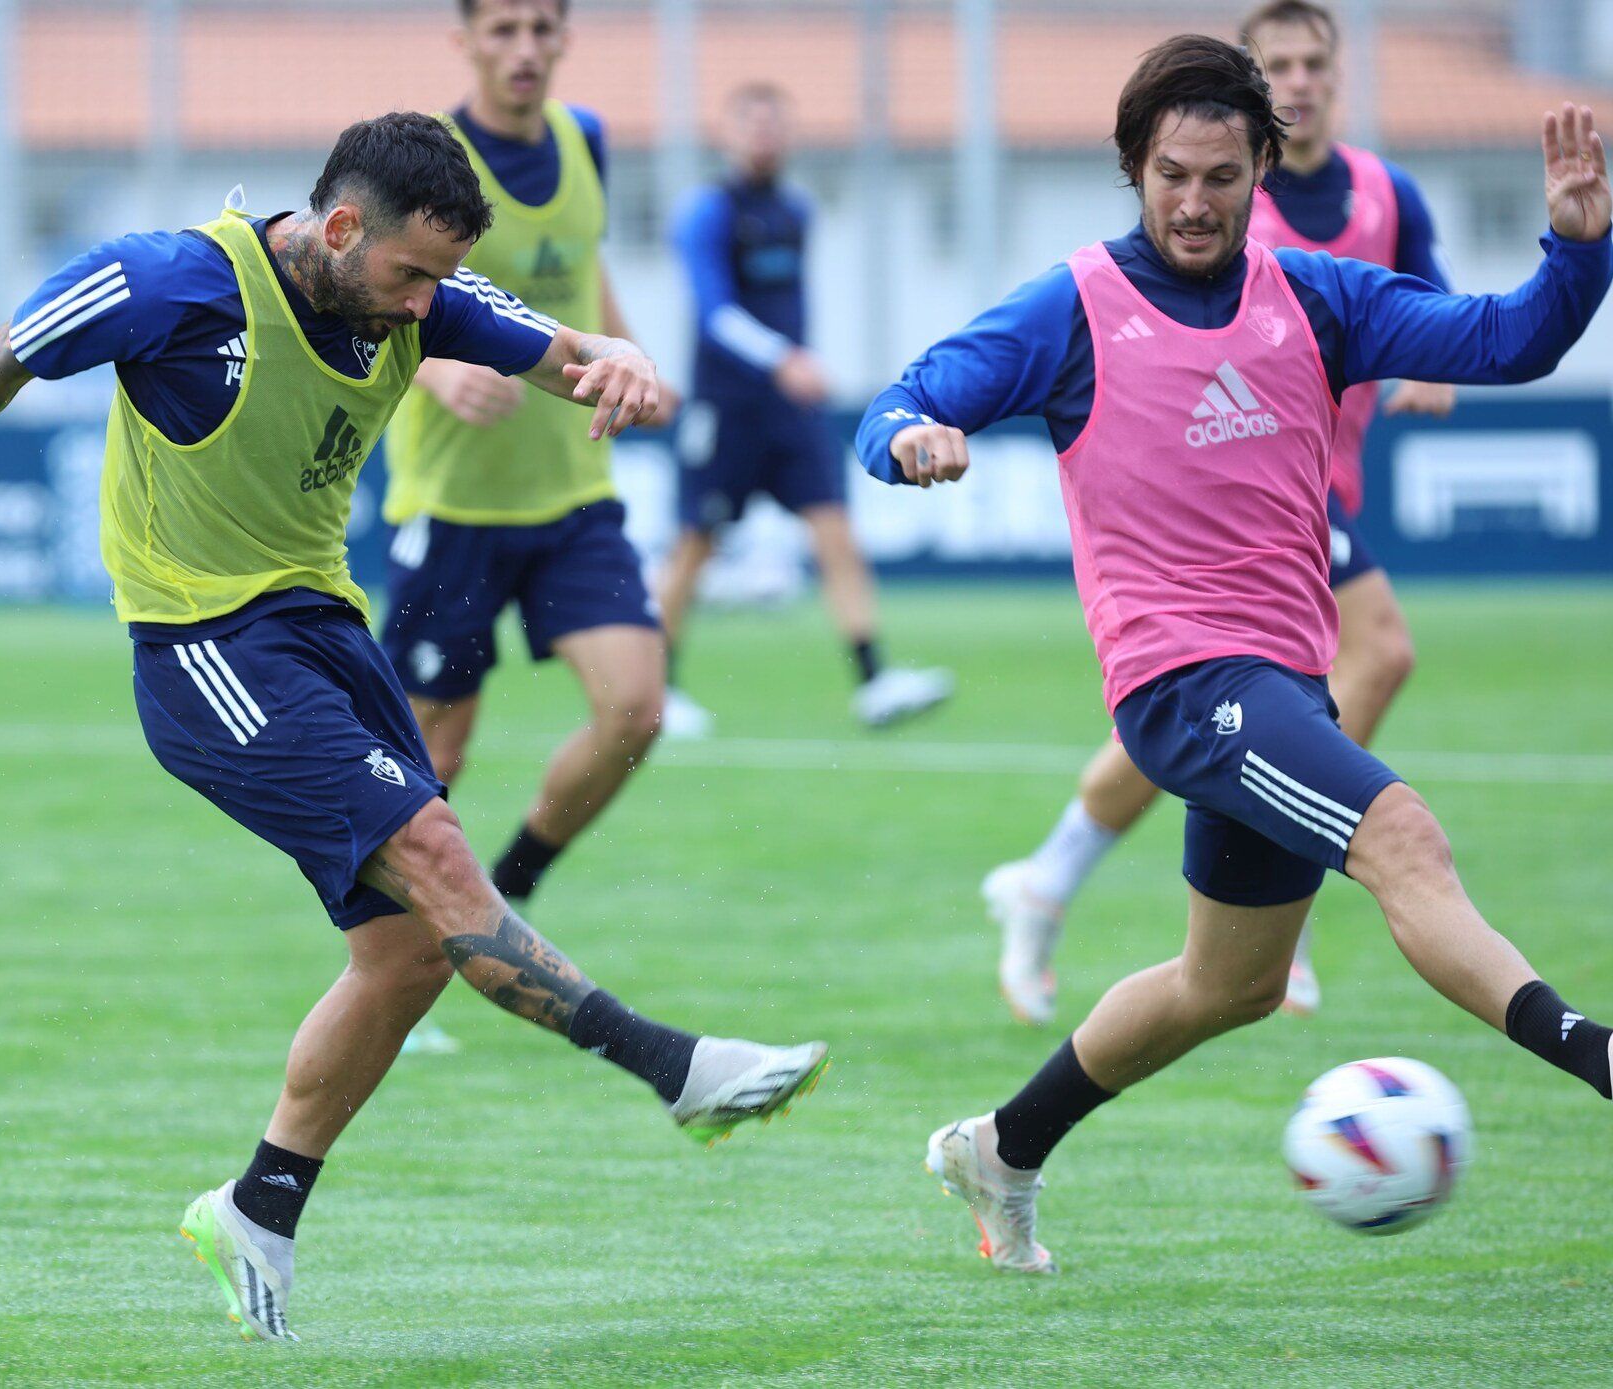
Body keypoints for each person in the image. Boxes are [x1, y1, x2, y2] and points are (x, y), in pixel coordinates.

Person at [0, 112, 828, 1339]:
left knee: (400, 956)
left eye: (438, 280)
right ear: (341, 228)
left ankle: (257, 1206)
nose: (422, 307)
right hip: (203, 651)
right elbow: (7, 351)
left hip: (322, 629)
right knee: (443, 867)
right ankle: (676, 1070)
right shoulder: (171, 282)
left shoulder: (418, 293)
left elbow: (556, 349)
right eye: (407, 276)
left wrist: (611, 354)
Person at [856, 36, 1612, 1274]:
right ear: (1130, 171)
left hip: (1278, 681)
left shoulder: (1315, 296)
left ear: (1262, 165)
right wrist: (909, 442)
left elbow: (1508, 343)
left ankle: (1001, 1148)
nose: (1193, 202)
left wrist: (1578, 251)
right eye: (1168, 176)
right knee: (1402, 835)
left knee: (1230, 985)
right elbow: (903, 397)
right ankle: (1591, 1050)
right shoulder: (1072, 306)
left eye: (1219, 175)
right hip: (1179, 685)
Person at [981, 0, 1456, 1026]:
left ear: (1333, 75)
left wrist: (1434, 363)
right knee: (1369, 656)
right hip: (1248, 504)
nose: (1292, 78)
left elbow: (1432, 298)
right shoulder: (1226, 201)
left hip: (1311, 494)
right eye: (1273, 61)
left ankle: (1050, 877)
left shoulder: (1383, 192)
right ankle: (1320, 843)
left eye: (1308, 61)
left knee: (1229, 713)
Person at [380, 0, 669, 914]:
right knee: (432, 760)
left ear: (564, 41)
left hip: (572, 491)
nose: (524, 48)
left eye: (541, 28)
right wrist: (436, 377)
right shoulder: (429, 158)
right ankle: (400, 960)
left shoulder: (585, 139)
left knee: (636, 709)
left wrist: (629, 355)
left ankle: (505, 895)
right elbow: (371, 294)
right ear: (462, 41)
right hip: (455, 501)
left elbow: (583, 264)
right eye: (501, 29)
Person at [658, 83, 951, 739]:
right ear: (726, 135)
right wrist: (781, 359)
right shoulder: (706, 212)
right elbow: (714, 313)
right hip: (727, 406)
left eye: (774, 124)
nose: (764, 135)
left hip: (788, 411)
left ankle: (875, 678)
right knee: (693, 546)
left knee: (835, 533)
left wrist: (791, 367)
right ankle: (658, 689)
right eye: (751, 123)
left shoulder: (794, 209)